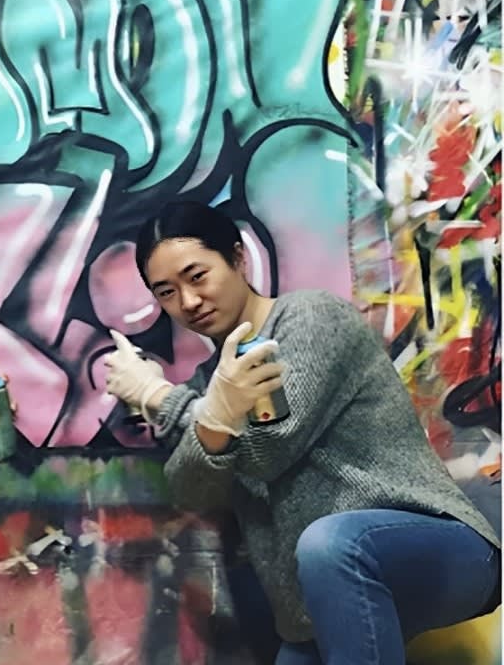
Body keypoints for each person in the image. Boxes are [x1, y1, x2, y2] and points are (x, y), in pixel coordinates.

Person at [101, 200, 500, 665]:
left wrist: (158, 397)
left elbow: (271, 448)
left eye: (197, 276)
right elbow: (193, 489)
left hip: (443, 552)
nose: (188, 302)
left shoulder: (309, 318)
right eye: (167, 292)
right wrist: (199, 411)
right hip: (317, 604)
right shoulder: (209, 387)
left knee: (330, 544)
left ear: (237, 258)